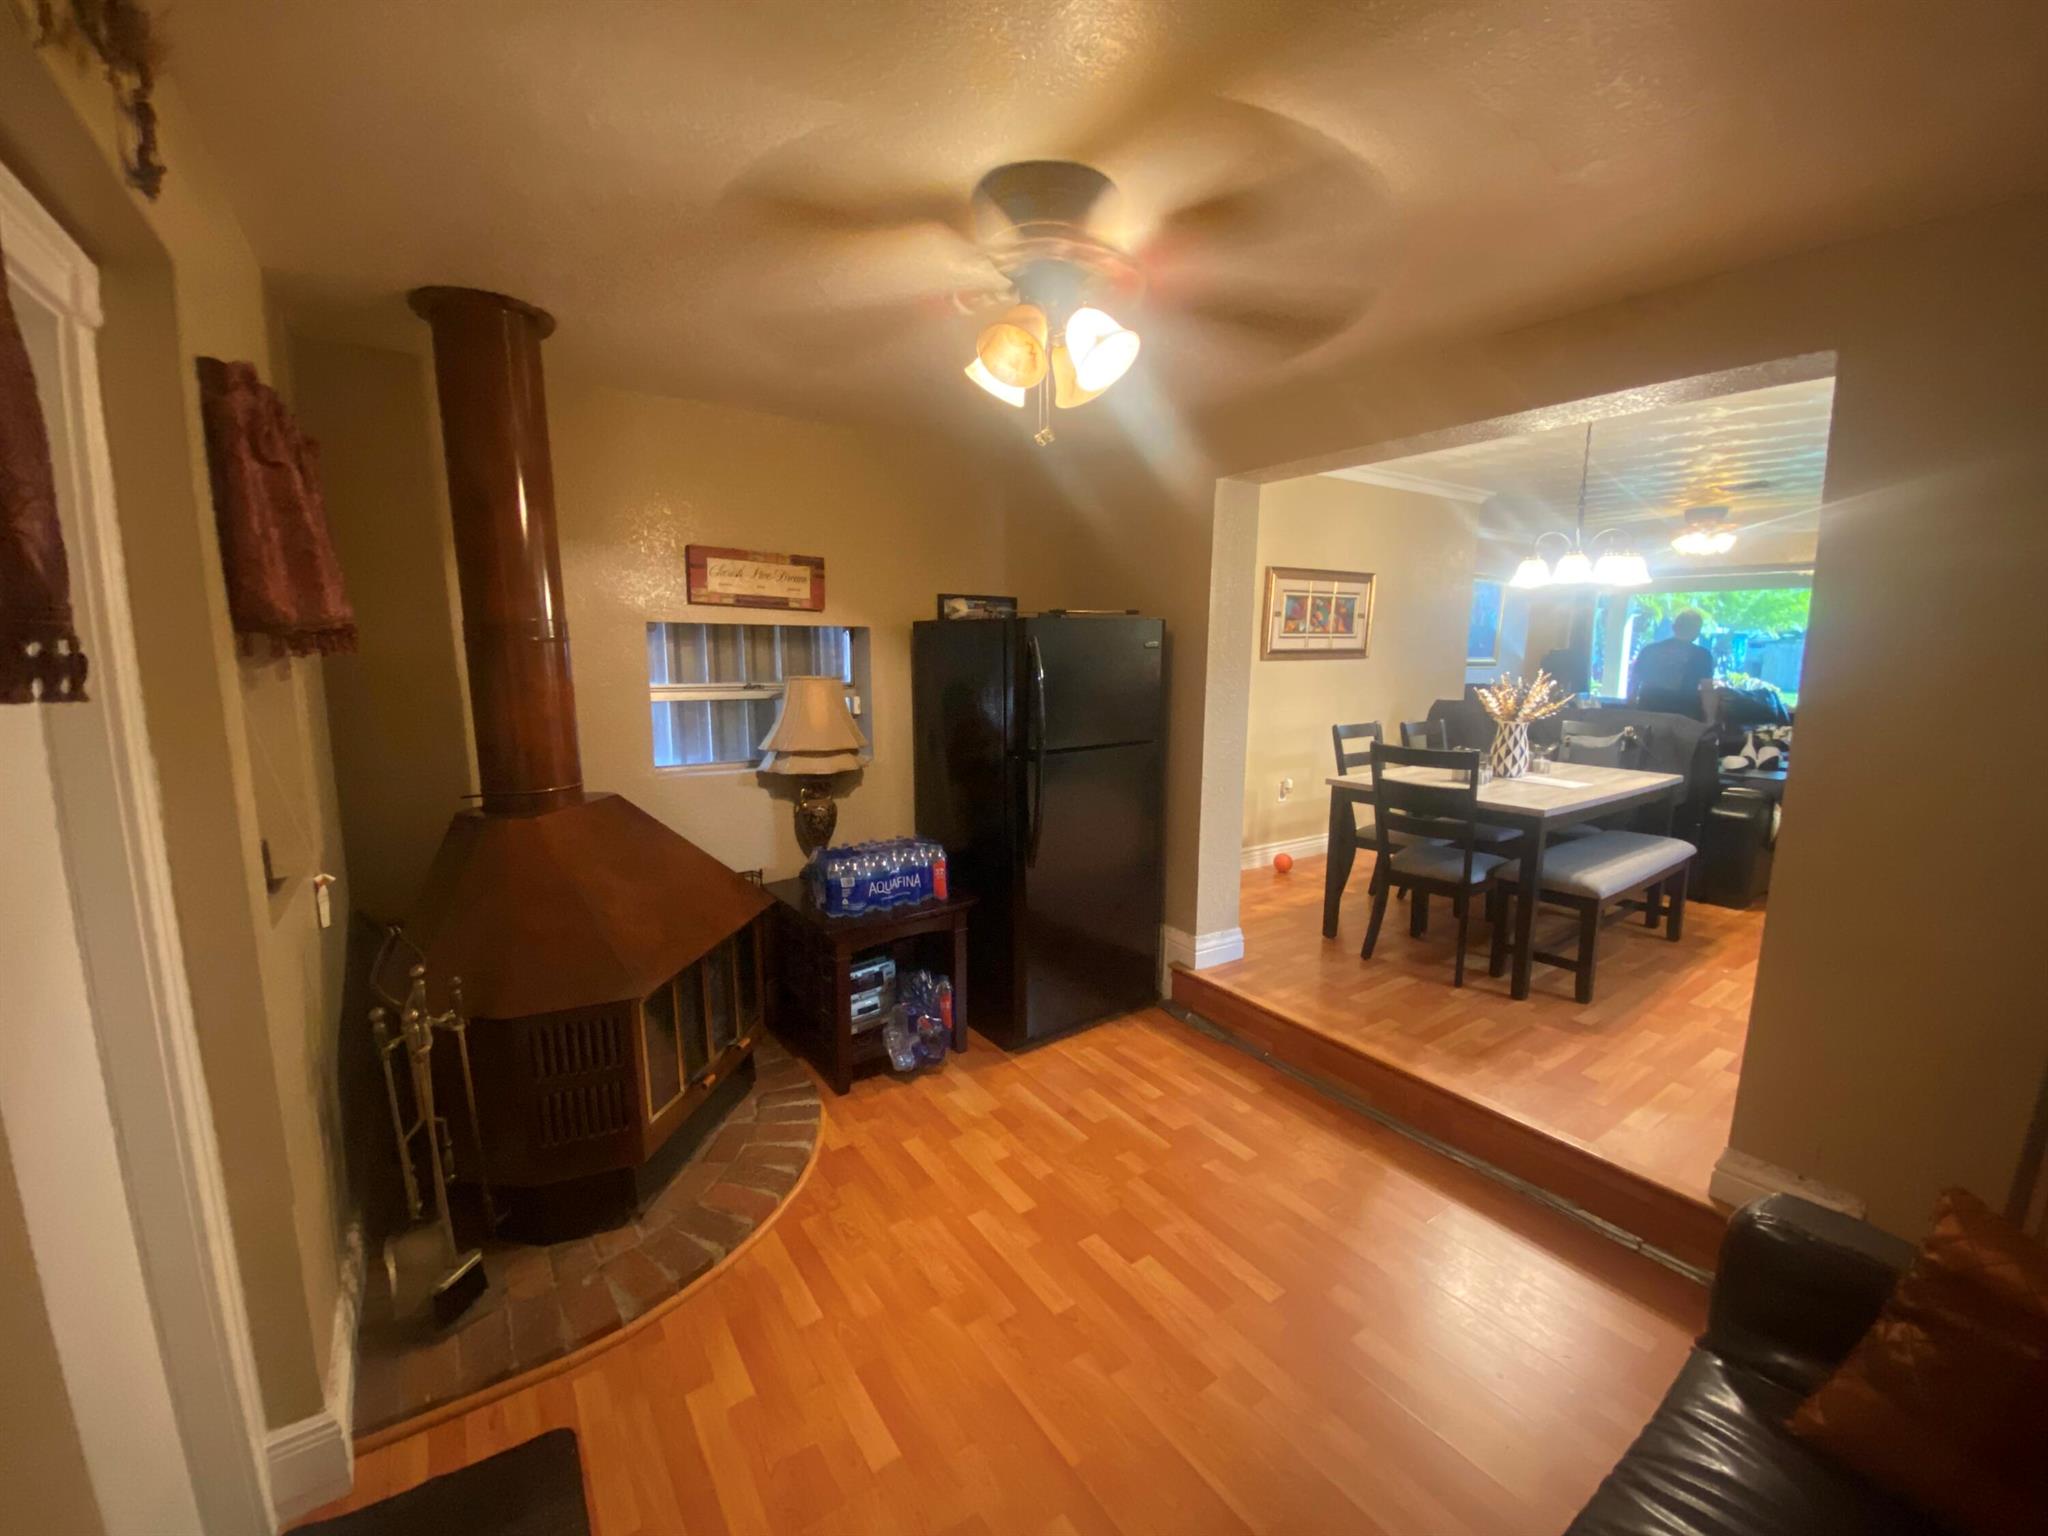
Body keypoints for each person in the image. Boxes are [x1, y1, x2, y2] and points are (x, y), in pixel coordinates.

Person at [1631, 609, 1715, 717]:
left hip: (1649, 711)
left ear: (1674, 627)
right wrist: (1710, 718)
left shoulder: (1649, 650)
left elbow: (1635, 681)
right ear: (1697, 632)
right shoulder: (1703, 656)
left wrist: (1632, 709)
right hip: (1684, 716)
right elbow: (1707, 689)